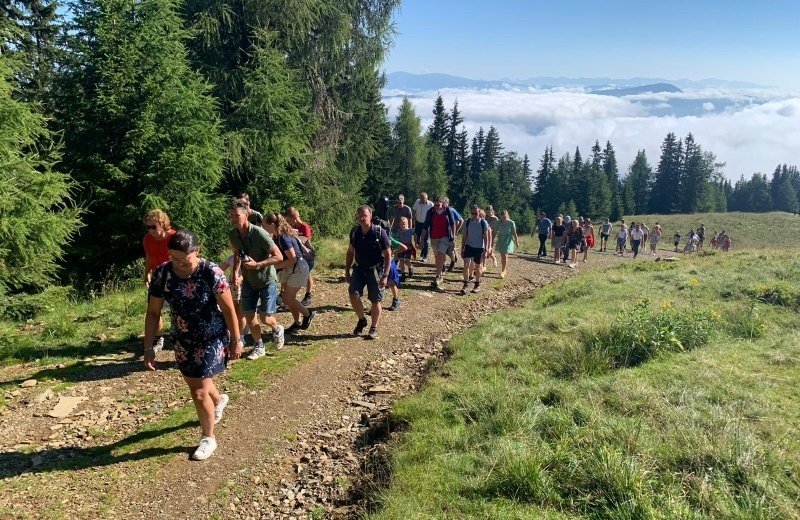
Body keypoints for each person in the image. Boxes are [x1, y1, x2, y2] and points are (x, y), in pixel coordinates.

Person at [144, 230, 240, 461]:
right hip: (183, 339)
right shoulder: (162, 274)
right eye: (174, 258)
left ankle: (208, 438)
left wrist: (237, 340)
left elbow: (228, 309)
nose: (179, 264)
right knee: (198, 383)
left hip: (211, 337)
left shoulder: (212, 272)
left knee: (198, 391)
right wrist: (148, 347)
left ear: (197, 252)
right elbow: (153, 312)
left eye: (184, 259)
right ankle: (218, 399)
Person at [229, 199, 285, 360]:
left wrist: (258, 264)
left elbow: (279, 256)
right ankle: (259, 346)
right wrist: (235, 273)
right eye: (231, 215)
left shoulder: (260, 233)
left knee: (265, 317)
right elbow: (237, 253)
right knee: (249, 315)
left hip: (266, 279)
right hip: (248, 281)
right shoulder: (233, 234)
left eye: (237, 215)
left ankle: (277, 328)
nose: (233, 218)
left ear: (246, 215)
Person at [263, 213, 316, 336]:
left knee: (288, 298)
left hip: (298, 268)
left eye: (265, 226)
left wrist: (273, 267)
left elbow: (292, 258)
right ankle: (297, 323)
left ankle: (308, 314)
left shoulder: (283, 238)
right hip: (290, 268)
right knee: (288, 299)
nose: (264, 228)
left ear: (272, 225)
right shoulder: (277, 237)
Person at [345, 205, 392, 339]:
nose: (361, 218)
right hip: (359, 269)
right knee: (353, 293)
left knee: (375, 300)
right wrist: (347, 270)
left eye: (364, 215)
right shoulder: (355, 232)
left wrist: (385, 275)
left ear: (370, 216)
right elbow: (350, 252)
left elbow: (388, 254)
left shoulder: (379, 232)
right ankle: (362, 320)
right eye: (359, 215)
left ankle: (374, 327)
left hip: (375, 271)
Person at [142, 209, 177, 353]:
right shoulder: (147, 239)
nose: (151, 230)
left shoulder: (174, 237)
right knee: (154, 309)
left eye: (154, 227)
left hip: (174, 277)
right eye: (148, 227)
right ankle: (158, 337)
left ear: (163, 224)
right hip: (157, 276)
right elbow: (149, 257)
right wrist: (147, 273)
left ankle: (178, 336)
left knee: (176, 308)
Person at [419, 195, 458, 290]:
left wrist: (453, 237)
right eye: (435, 205)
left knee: (440, 255)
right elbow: (425, 226)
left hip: (444, 237)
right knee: (438, 257)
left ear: (442, 203)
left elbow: (453, 224)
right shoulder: (431, 212)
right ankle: (440, 272)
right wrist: (422, 239)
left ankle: (438, 277)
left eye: (438, 205)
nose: (436, 207)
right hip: (434, 237)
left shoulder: (447, 211)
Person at [285, 207, 315, 307]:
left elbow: (306, 241)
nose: (288, 223)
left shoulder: (304, 227)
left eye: (289, 220)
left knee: (308, 275)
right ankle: (287, 296)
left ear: (295, 218)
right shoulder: (291, 227)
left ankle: (308, 295)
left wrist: (294, 235)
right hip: (299, 255)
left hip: (307, 255)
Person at [459, 205, 490, 295]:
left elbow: (486, 237)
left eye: (476, 213)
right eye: (472, 213)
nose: (474, 215)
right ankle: (465, 285)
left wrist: (486, 250)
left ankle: (477, 284)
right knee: (466, 264)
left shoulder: (483, 223)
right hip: (469, 246)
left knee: (478, 266)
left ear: (479, 213)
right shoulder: (468, 222)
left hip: (479, 247)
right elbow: (464, 236)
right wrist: (462, 249)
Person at [493, 209, 519, 278]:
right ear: (500, 217)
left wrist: (517, 242)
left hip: (508, 240)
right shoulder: (498, 222)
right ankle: (504, 269)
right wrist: (491, 240)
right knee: (502, 255)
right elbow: (494, 232)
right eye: (502, 218)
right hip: (501, 239)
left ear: (507, 216)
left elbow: (514, 233)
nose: (503, 219)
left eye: (504, 217)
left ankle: (503, 270)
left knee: (504, 254)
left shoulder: (511, 223)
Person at [412, 192, 434, 262]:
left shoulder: (431, 204)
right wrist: (414, 220)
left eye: (423, 199)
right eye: (421, 199)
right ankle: (423, 249)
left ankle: (425, 256)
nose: (422, 201)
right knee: (416, 238)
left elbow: (433, 214)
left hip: (426, 223)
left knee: (426, 240)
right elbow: (414, 211)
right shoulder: (417, 202)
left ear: (427, 198)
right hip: (418, 222)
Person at [444, 197, 464, 272]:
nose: (443, 205)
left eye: (444, 203)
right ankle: (447, 263)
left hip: (451, 233)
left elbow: (461, 220)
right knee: (444, 249)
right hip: (442, 233)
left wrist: (456, 231)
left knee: (451, 249)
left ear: (447, 203)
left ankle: (453, 261)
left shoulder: (451, 210)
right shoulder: (439, 210)